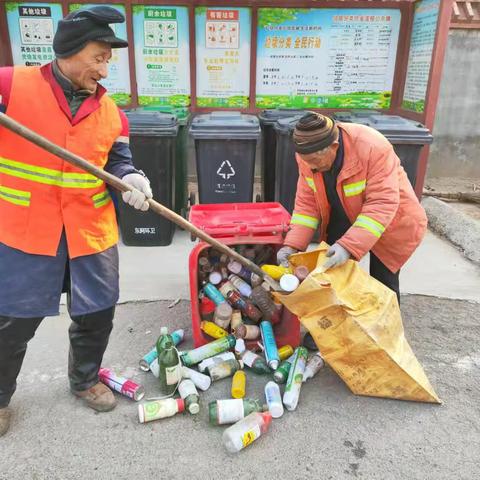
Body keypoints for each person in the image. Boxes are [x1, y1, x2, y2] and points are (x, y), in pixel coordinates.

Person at [0, 6, 153, 436]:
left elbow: (118, 162)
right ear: (69, 51)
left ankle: (84, 379)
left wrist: (132, 180)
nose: (105, 69)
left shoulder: (112, 114)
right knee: (12, 322)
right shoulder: (11, 86)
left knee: (97, 314)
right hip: (26, 232)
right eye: (99, 57)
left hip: (91, 231)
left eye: (108, 59)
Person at [277, 112, 427, 350]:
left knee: (384, 280)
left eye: (315, 161)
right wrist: (292, 245)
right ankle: (332, 329)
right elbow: (306, 205)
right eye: (306, 161)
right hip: (343, 211)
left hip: (391, 220)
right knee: (332, 274)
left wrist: (348, 246)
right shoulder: (307, 155)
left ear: (333, 146)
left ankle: (386, 339)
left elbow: (382, 203)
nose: (311, 166)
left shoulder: (372, 146)